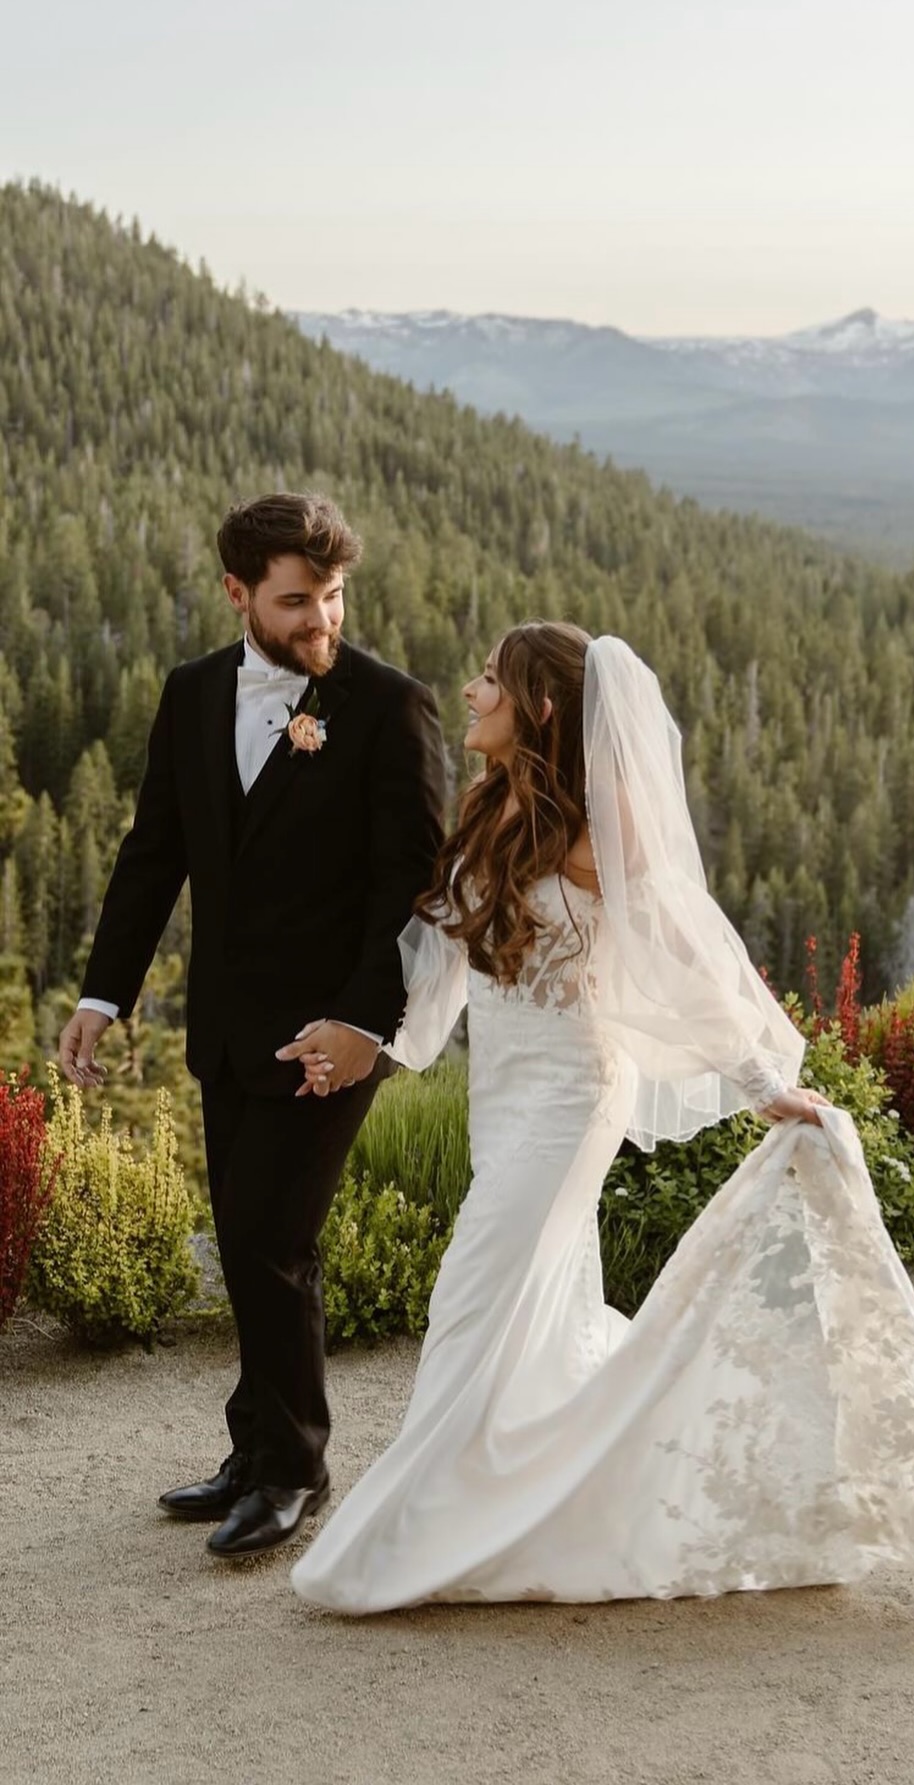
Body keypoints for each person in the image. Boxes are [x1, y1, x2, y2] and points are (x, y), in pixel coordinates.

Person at [289, 622, 914, 1618]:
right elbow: (443, 958)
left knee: (470, 1297)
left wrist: (763, 1083)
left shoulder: (599, 822)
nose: (469, 691)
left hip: (573, 1098)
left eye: (490, 681)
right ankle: (528, 1498)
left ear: (540, 705)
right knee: (526, 1317)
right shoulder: (493, 803)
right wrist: (361, 1036)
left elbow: (685, 952)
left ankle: (412, 1539)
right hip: (504, 1097)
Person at [57, 493, 448, 1559]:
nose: (320, 618)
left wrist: (366, 1022)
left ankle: (295, 1470)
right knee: (247, 1237)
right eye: (294, 601)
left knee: (272, 1238)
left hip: (337, 1032)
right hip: (226, 1028)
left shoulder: (390, 706)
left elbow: (413, 891)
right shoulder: (191, 695)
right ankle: (254, 1445)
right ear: (237, 594)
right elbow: (155, 856)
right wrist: (103, 994)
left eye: (330, 596)